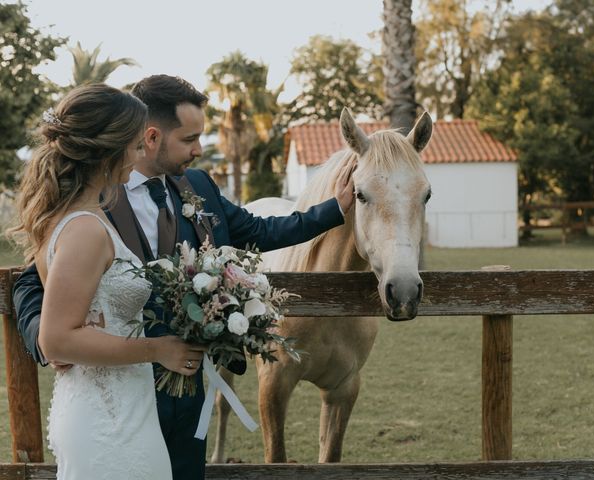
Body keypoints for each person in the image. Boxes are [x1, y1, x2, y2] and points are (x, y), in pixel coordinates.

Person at [13, 74, 356, 480]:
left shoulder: (198, 186)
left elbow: (260, 231)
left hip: (189, 388)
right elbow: (33, 282)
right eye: (190, 139)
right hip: (114, 389)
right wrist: (52, 344)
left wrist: (335, 208)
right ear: (152, 137)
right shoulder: (93, 201)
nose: (198, 149)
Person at [8, 83, 205, 479]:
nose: (140, 155)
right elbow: (57, 339)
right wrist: (158, 349)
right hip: (109, 422)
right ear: (108, 150)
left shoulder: (78, 215)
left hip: (121, 408)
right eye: (134, 145)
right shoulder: (84, 229)